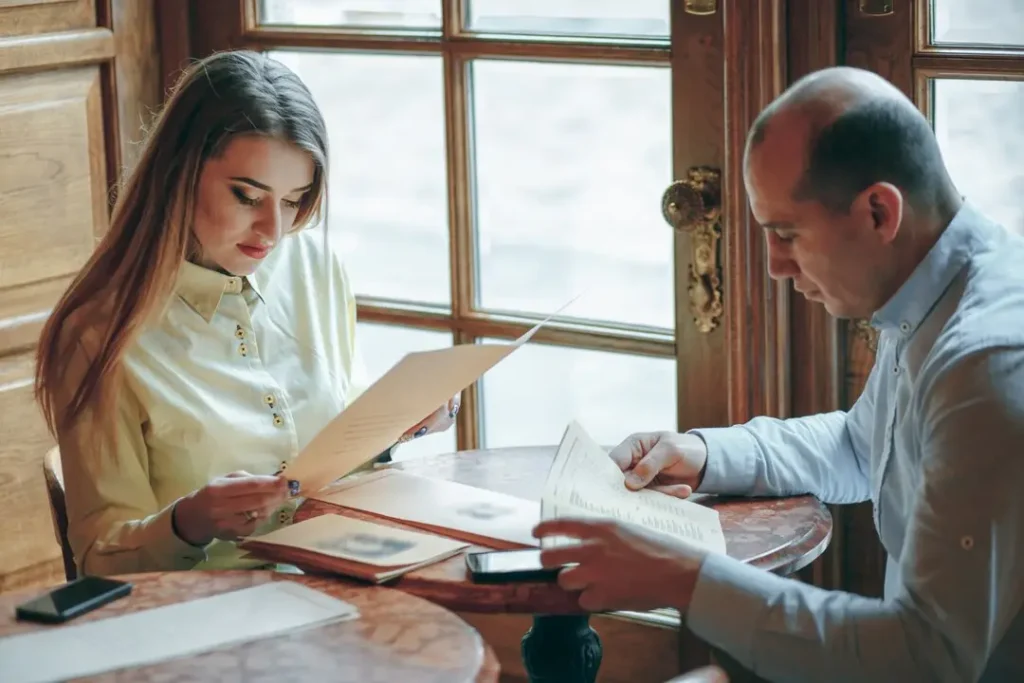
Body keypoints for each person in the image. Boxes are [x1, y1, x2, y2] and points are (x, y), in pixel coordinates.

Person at [533, 65, 1024, 682]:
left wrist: (683, 576)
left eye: (786, 233)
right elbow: (858, 444)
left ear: (879, 211)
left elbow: (925, 658)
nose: (773, 266)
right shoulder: (931, 295)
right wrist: (703, 452)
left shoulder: (985, 361)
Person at [34, 50, 458, 577]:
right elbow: (101, 559)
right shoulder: (98, 337)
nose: (273, 231)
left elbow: (336, 453)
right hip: (209, 618)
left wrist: (397, 426)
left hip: (346, 578)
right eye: (247, 196)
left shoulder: (313, 265)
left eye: (293, 200)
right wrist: (188, 521)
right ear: (179, 173)